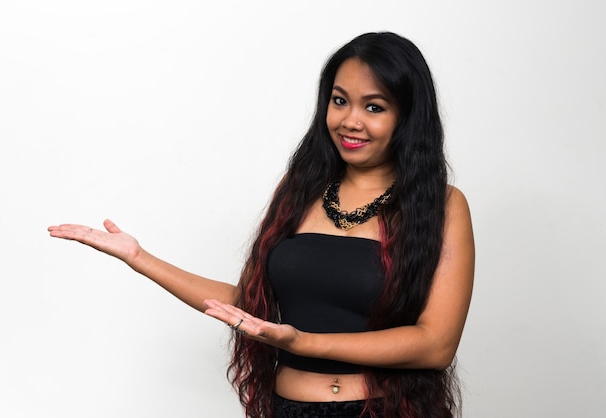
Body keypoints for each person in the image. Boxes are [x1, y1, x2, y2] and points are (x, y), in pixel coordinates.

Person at [48, 31, 474, 418]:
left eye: (374, 107)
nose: (350, 121)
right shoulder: (300, 189)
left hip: (385, 411)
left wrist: (302, 342)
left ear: (408, 118)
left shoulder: (442, 206)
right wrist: (141, 259)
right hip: (287, 409)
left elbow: (435, 344)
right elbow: (245, 305)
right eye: (339, 100)